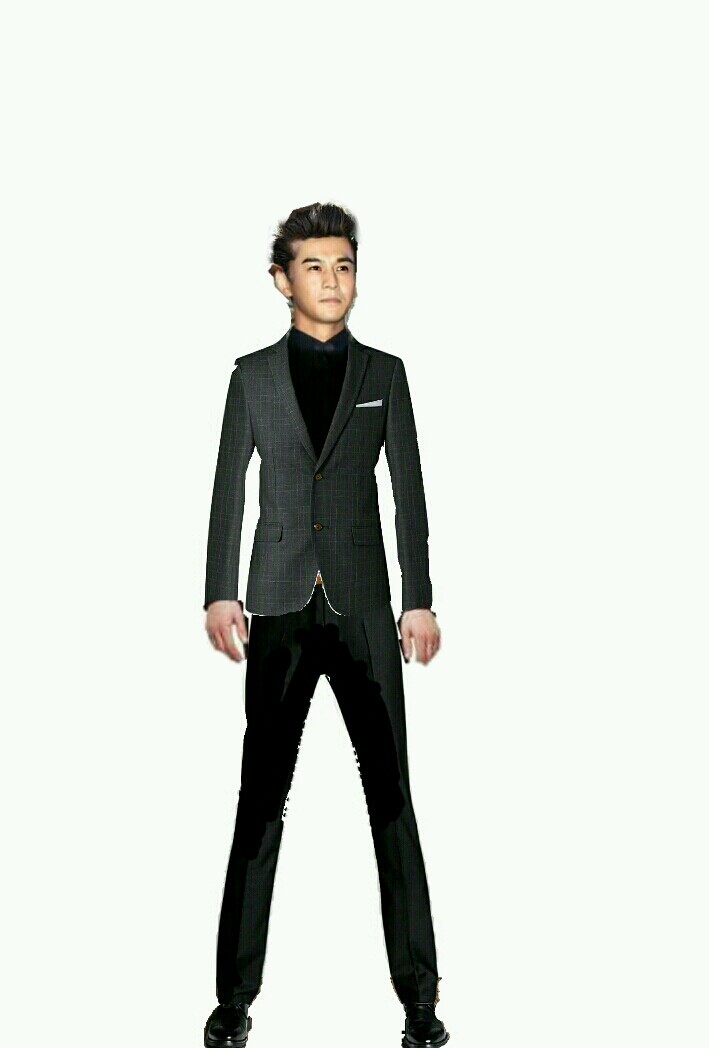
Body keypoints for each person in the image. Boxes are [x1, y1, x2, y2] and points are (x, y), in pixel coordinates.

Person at [202, 202, 450, 1047]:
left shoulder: (385, 372)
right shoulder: (250, 377)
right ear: (282, 280)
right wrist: (219, 592)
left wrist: (418, 597)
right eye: (313, 266)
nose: (331, 280)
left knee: (391, 797)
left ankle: (420, 1002)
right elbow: (228, 489)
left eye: (342, 265)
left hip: (364, 606)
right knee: (261, 799)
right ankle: (233, 1000)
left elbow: (408, 490)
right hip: (275, 603)